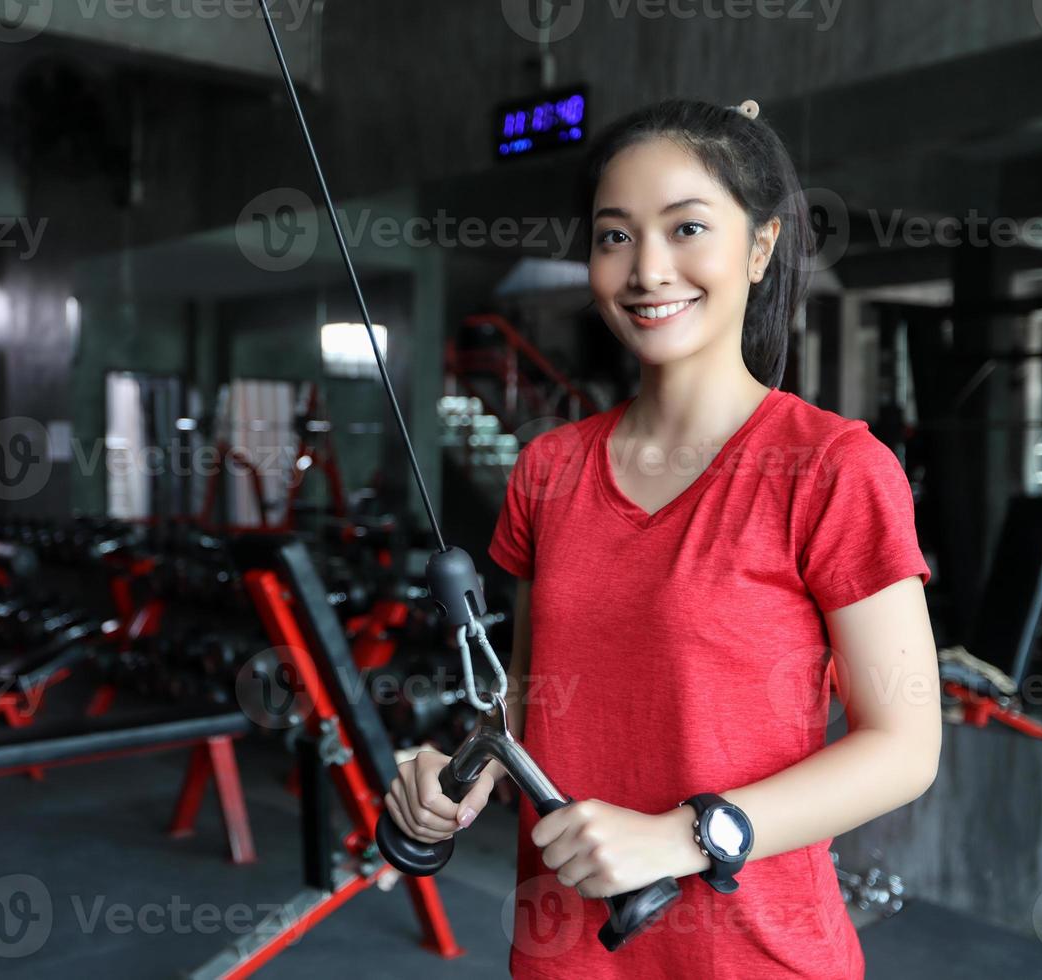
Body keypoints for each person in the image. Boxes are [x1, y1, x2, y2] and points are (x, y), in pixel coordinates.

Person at [383, 98, 940, 978]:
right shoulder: (549, 470)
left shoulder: (831, 467)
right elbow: (529, 700)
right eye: (614, 236)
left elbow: (903, 747)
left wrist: (685, 836)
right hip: (566, 952)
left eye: (686, 228)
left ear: (759, 248)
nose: (647, 269)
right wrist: (462, 772)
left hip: (754, 955)